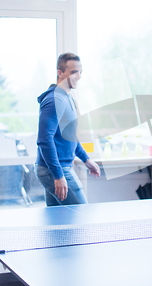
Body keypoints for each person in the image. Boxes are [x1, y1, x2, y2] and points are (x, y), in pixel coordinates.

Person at [36, 52, 100, 206]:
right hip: (56, 170)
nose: (78, 76)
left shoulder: (67, 97)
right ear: (60, 73)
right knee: (82, 216)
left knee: (58, 222)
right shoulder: (54, 100)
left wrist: (86, 159)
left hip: (56, 168)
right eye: (73, 72)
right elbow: (44, 140)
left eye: (80, 72)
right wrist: (58, 175)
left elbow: (69, 135)